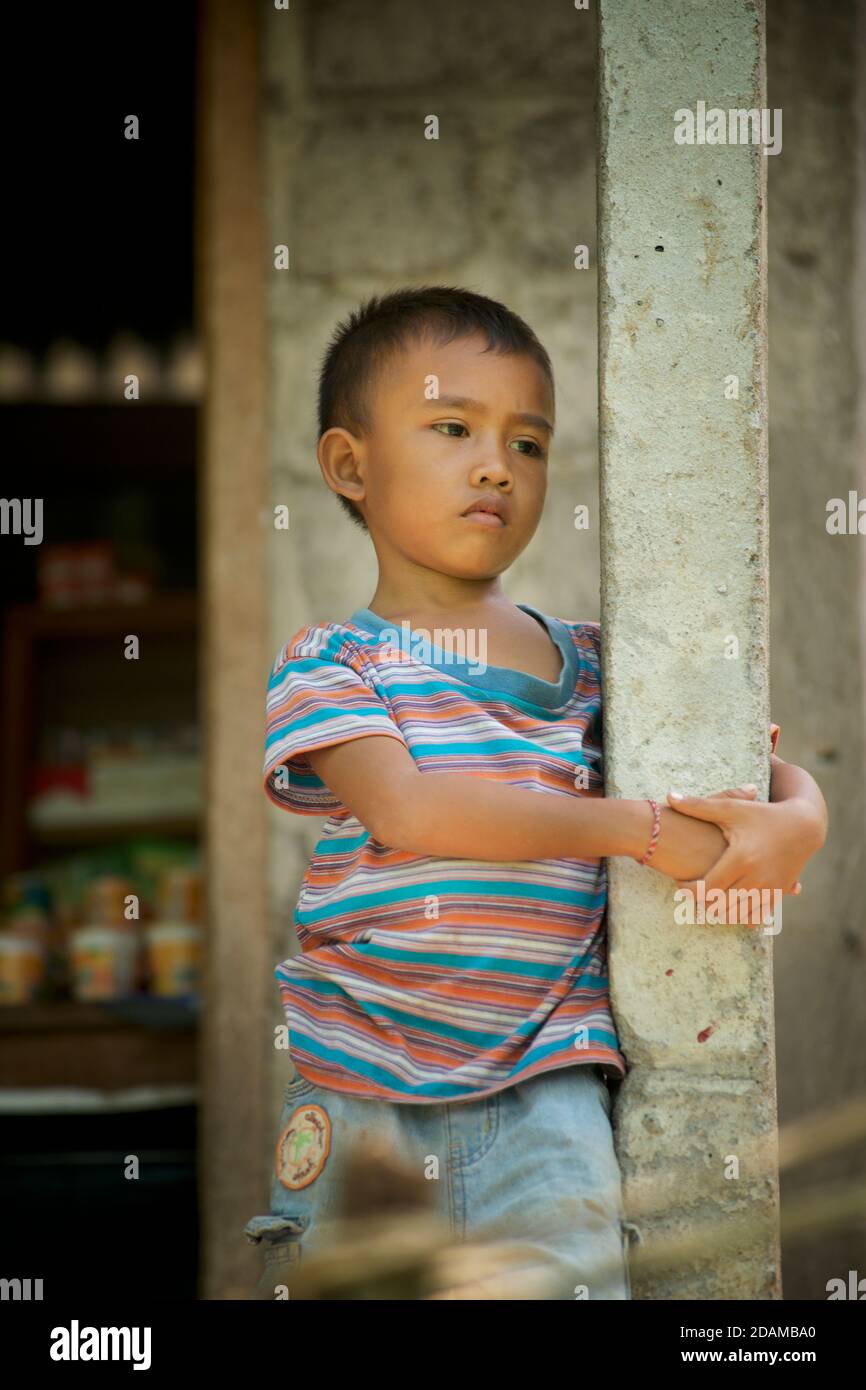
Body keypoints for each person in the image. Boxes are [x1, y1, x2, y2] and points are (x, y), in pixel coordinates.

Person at [243, 286, 828, 1300]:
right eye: (450, 426)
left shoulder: (609, 670)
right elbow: (411, 810)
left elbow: (755, 770)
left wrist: (797, 821)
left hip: (548, 1093)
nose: (493, 465)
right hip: (360, 1085)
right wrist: (640, 830)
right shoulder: (335, 661)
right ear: (349, 464)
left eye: (528, 442)